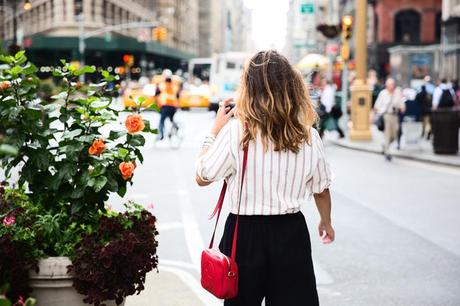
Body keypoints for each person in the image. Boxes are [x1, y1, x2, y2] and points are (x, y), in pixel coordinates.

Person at [195, 50, 334, 306]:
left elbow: (203, 176)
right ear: (291, 86)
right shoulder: (307, 135)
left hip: (243, 233)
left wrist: (214, 131)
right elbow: (321, 189)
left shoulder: (237, 131)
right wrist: (326, 222)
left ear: (248, 87)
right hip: (291, 232)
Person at [374, 78, 405, 161]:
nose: (391, 86)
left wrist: (402, 107)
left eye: (392, 84)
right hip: (386, 115)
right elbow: (376, 106)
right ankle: (387, 152)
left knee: (395, 134)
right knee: (387, 134)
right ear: (386, 85)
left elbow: (401, 104)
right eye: (389, 85)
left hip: (395, 116)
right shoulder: (383, 93)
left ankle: (385, 145)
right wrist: (377, 115)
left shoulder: (397, 93)